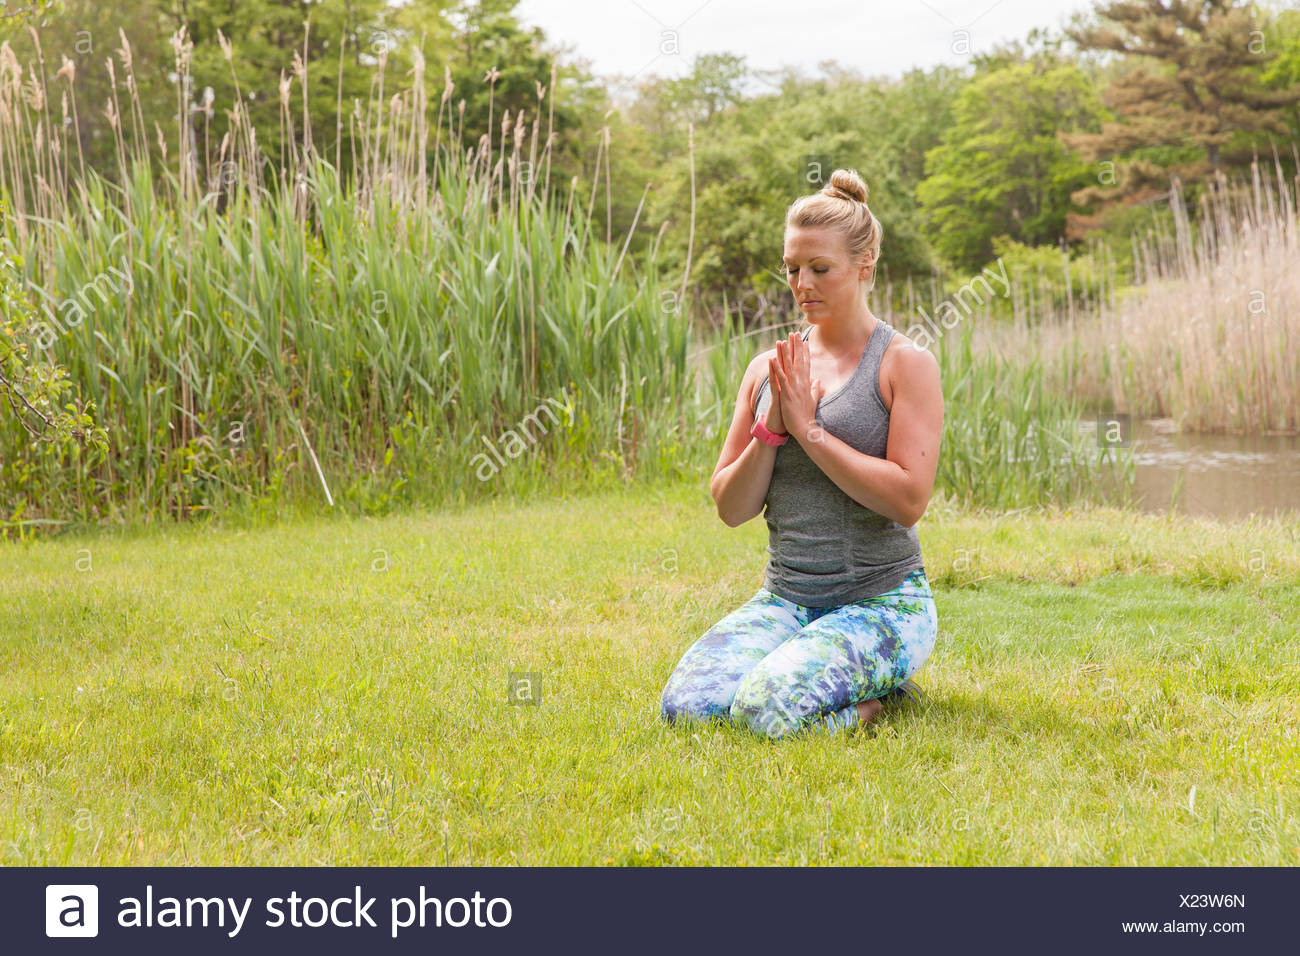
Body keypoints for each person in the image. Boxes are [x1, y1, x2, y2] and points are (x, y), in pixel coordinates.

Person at [659, 167, 944, 740]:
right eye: (792, 269)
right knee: (688, 708)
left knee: (764, 713)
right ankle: (824, 674)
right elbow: (731, 507)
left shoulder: (904, 363)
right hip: (786, 601)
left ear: (864, 268)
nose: (802, 284)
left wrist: (813, 433)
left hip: (883, 605)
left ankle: (883, 698)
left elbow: (909, 501)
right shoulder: (767, 369)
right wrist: (772, 427)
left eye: (820, 269)